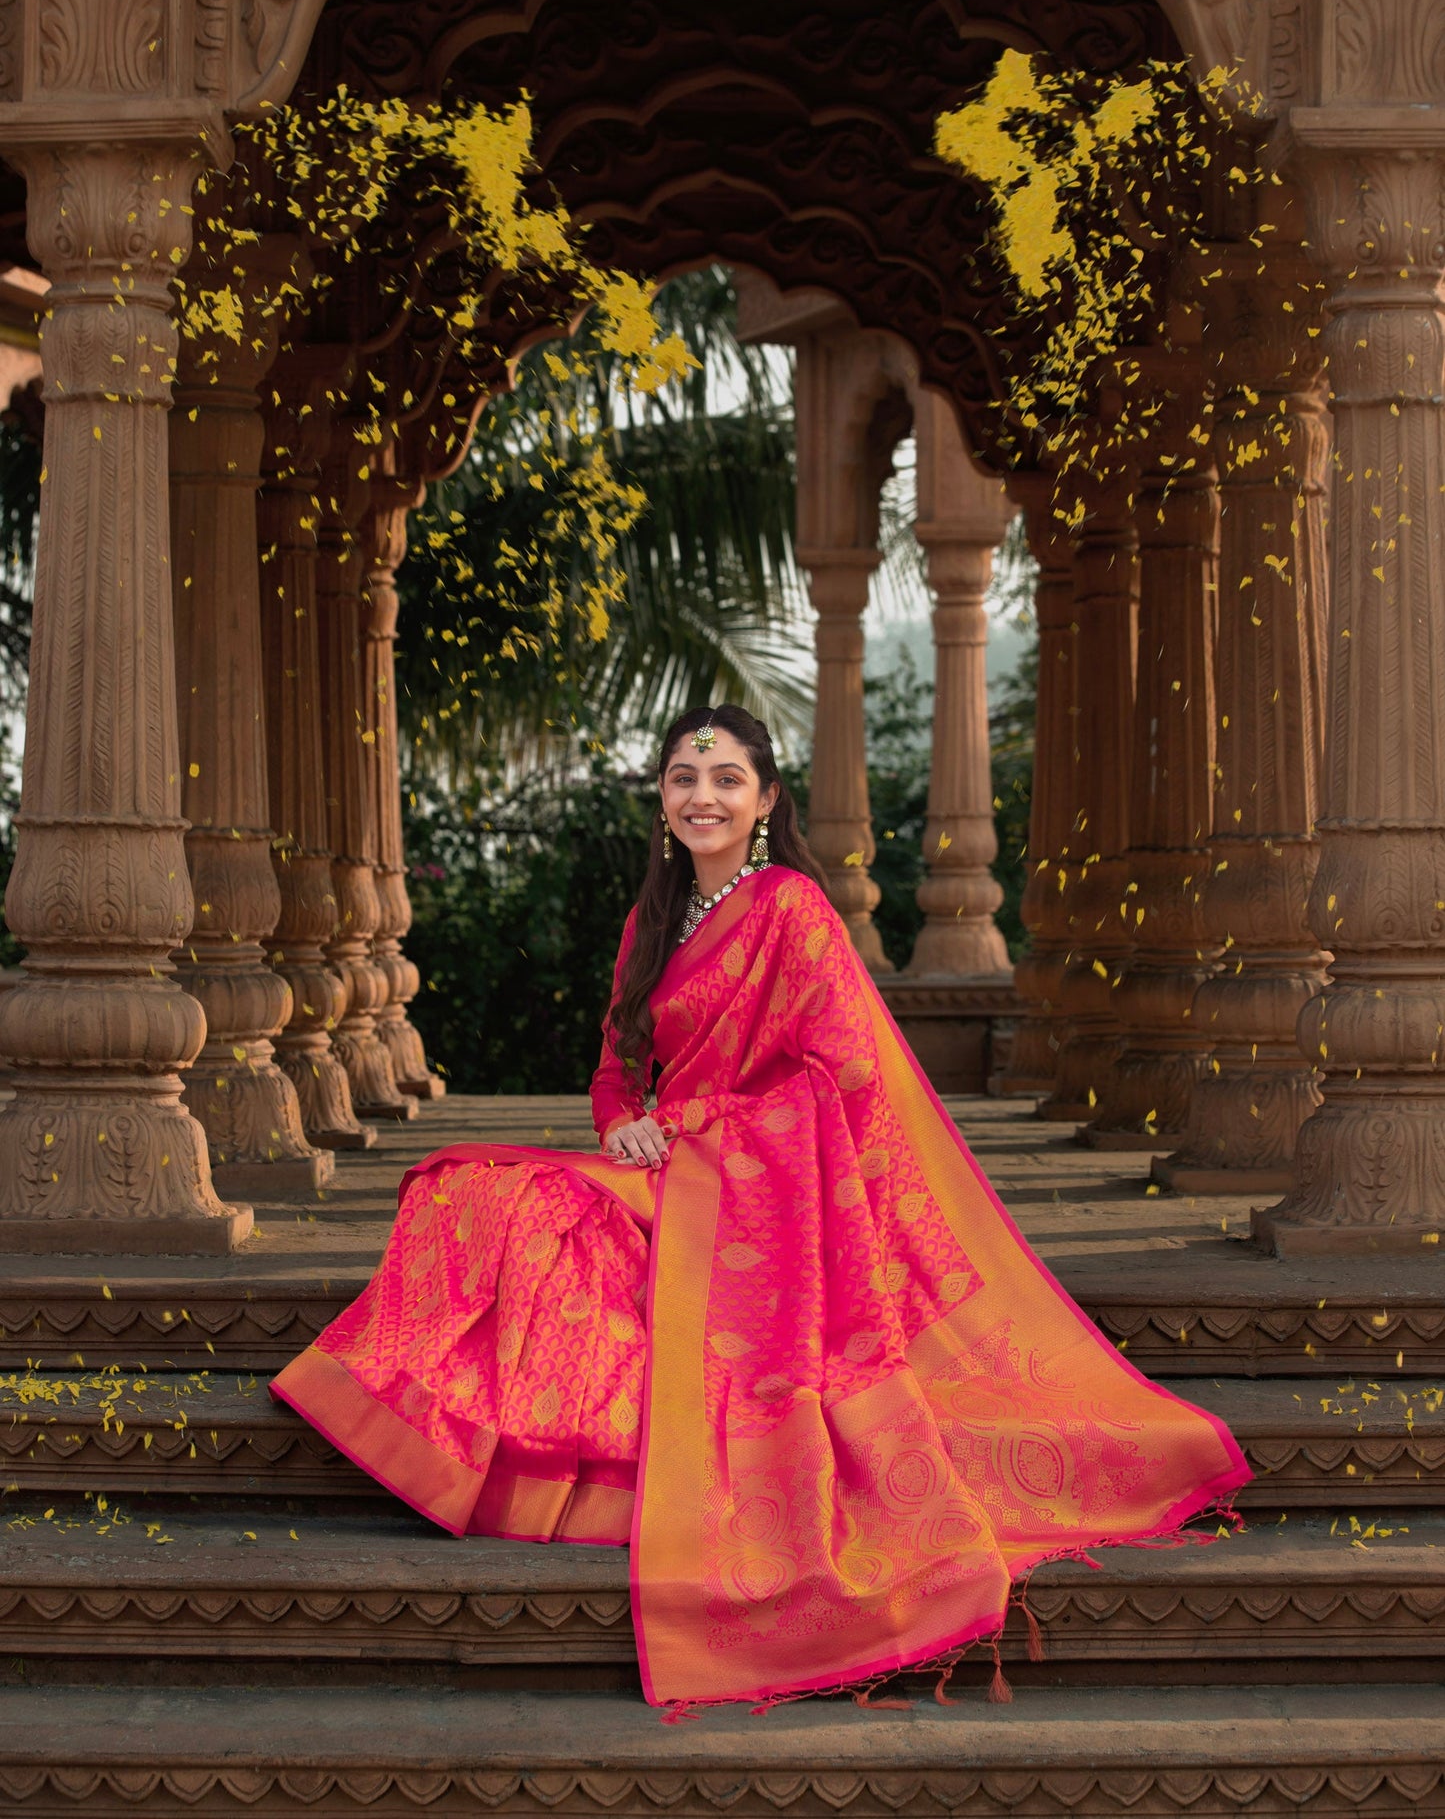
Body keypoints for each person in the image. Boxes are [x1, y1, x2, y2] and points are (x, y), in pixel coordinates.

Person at [272, 704, 1248, 1710]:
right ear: (661, 797)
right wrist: (621, 1127)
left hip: (752, 1179)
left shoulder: (789, 907)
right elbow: (616, 1071)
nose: (704, 797)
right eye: (685, 779)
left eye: (727, 779)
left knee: (527, 1214)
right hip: (666, 1164)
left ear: (766, 799)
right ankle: (451, 1442)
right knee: (472, 1191)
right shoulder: (650, 920)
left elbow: (847, 1072)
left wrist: (717, 1134)